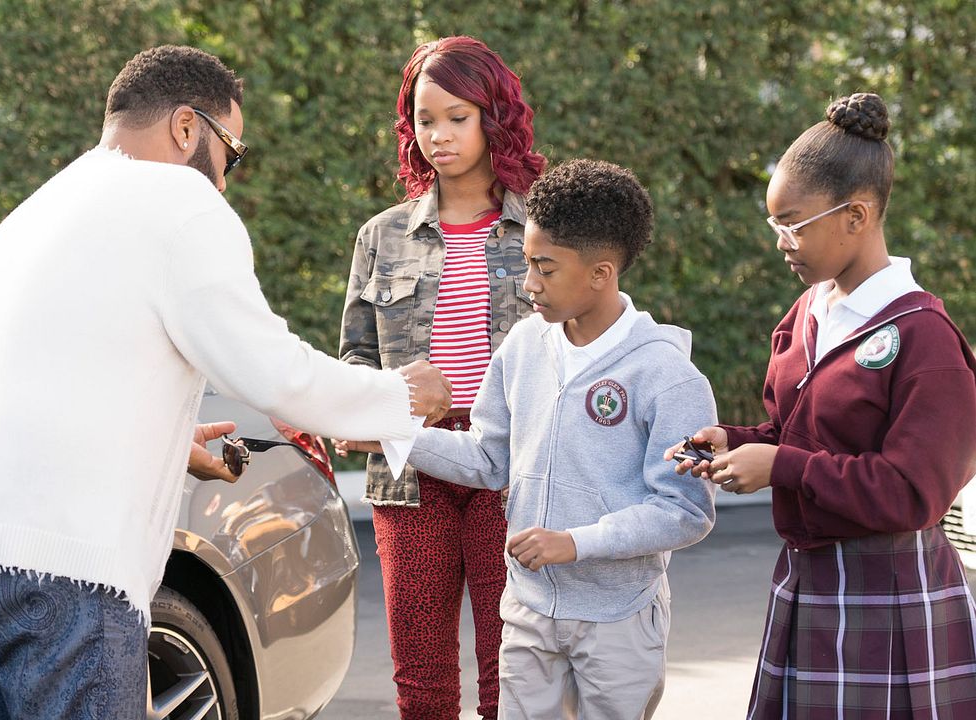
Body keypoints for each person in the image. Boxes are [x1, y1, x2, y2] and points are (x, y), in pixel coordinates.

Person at [0, 45, 451, 720]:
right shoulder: (177, 200)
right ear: (188, 128)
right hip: (61, 559)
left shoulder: (35, 212)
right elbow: (270, 370)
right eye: (233, 152)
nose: (225, 181)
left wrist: (163, 438)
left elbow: (33, 377)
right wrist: (399, 397)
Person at [344, 158, 718, 718]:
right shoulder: (522, 346)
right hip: (529, 610)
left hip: (619, 618)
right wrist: (397, 435)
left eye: (546, 268)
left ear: (601, 273)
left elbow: (685, 510)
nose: (529, 284)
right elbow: (490, 458)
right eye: (527, 263)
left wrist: (575, 542)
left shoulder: (669, 376)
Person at [670, 93, 976, 718]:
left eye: (794, 222)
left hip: (890, 591)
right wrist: (738, 439)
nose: (781, 241)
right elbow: (794, 433)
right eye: (773, 223)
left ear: (857, 215)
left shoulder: (924, 336)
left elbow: (912, 493)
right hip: (807, 581)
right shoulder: (808, 312)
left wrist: (778, 465)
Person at [336, 35, 546, 720]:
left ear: (493, 116)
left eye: (457, 117)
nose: (439, 135)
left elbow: (572, 356)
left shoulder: (543, 229)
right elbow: (355, 356)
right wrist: (363, 408)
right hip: (408, 468)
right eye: (425, 119)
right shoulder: (382, 235)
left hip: (509, 470)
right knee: (420, 679)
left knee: (509, 670)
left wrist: (455, 393)